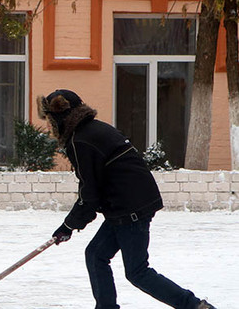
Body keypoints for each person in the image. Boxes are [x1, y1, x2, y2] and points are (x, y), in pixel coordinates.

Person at [39, 89, 218, 309]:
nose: (48, 126)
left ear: (60, 118)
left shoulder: (81, 141)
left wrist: (67, 226)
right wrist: (72, 223)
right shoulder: (93, 130)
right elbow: (94, 186)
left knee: (137, 271)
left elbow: (89, 194)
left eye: (49, 119)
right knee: (96, 254)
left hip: (129, 207)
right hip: (127, 204)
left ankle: (195, 306)